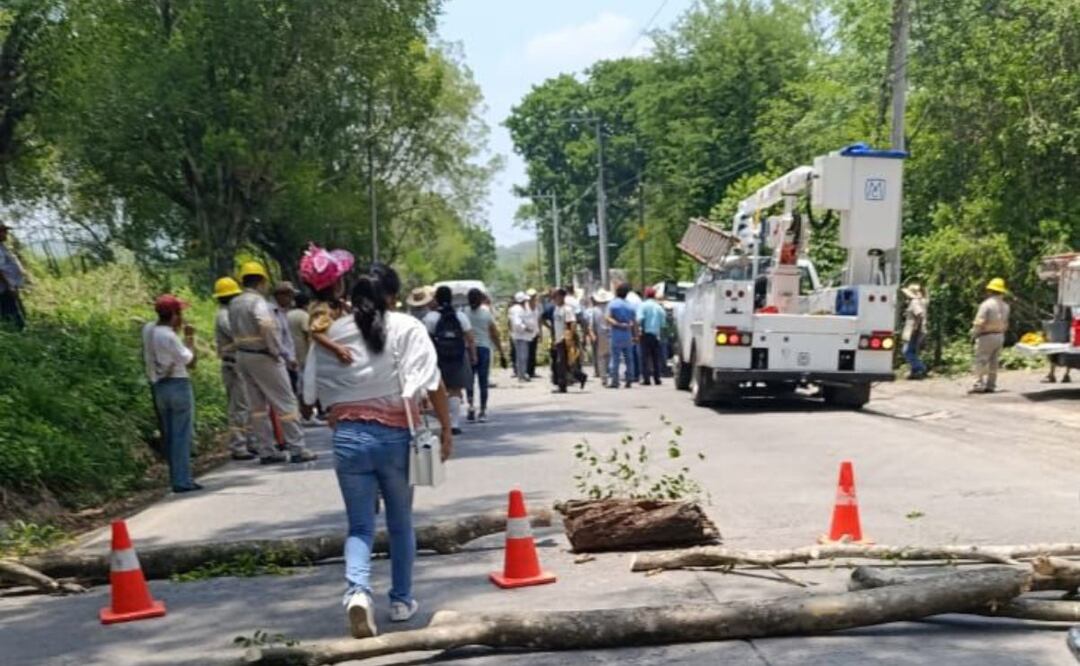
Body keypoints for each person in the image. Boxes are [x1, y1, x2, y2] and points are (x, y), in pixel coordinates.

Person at [310, 263, 452, 639]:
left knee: (359, 526)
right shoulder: (408, 328)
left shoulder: (334, 332)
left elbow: (315, 392)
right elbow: (432, 381)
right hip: (395, 437)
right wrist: (446, 429)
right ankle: (402, 600)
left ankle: (357, 593)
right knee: (400, 522)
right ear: (392, 296)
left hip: (348, 439)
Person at [229, 261, 317, 464]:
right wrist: (276, 351)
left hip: (243, 357)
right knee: (286, 402)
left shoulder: (235, 302)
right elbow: (266, 324)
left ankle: (266, 450)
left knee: (257, 408)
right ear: (261, 281)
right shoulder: (258, 302)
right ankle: (297, 448)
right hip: (264, 356)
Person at [142, 294, 201, 492]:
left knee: (169, 434)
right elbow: (190, 362)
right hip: (178, 384)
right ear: (175, 315)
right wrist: (190, 338)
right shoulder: (169, 336)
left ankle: (176, 477)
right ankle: (182, 480)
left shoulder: (149, 330)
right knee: (181, 435)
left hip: (159, 386)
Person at [212, 277, 257, 460]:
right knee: (239, 407)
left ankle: (249, 441)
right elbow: (239, 334)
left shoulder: (228, 312)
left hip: (237, 362)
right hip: (233, 364)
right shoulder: (225, 316)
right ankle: (239, 445)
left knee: (246, 405)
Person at [423, 285, 476, 434]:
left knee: (440, 389)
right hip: (458, 356)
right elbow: (470, 338)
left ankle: (443, 421)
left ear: (437, 299)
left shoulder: (430, 318)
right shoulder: (460, 316)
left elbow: (425, 341)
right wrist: (473, 355)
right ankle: (454, 423)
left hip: (438, 358)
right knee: (456, 390)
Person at [300, 244, 357, 366]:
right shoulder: (323, 308)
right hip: (327, 360)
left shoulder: (336, 305)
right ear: (335, 286)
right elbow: (317, 333)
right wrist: (337, 348)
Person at [465, 287, 504, 422]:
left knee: (469, 380)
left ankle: (470, 406)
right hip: (484, 349)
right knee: (483, 381)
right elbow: (494, 333)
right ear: (481, 299)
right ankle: (482, 410)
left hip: (469, 349)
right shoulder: (486, 314)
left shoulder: (464, 313)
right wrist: (501, 351)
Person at [970, 277, 1011, 394]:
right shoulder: (1006, 306)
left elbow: (980, 321)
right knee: (994, 362)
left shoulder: (986, 305)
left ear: (990, 291)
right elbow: (1006, 323)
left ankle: (978, 384)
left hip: (985, 336)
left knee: (981, 360)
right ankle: (991, 385)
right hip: (999, 335)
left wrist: (974, 333)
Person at [551, 288, 587, 392]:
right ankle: (580, 376)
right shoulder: (556, 309)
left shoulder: (567, 309)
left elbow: (572, 323)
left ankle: (562, 386)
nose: (554, 299)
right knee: (566, 363)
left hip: (565, 339)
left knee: (560, 363)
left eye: (556, 296)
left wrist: (570, 338)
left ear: (562, 297)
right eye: (553, 297)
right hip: (558, 339)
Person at [606, 283, 638, 388]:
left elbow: (608, 317)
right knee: (629, 358)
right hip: (627, 334)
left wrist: (617, 324)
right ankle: (629, 379)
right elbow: (635, 322)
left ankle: (615, 380)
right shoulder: (630, 306)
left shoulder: (612, 304)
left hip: (616, 334)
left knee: (615, 358)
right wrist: (636, 335)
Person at [272, 282, 301, 392]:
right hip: (283, 362)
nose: (291, 300)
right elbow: (277, 339)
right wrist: (290, 357)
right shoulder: (273, 313)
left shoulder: (283, 312)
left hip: (289, 362)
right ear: (281, 296)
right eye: (290, 296)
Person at [637, 287, 667, 386]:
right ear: (654, 295)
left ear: (645, 295)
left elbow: (640, 319)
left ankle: (646, 379)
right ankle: (657, 378)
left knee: (645, 357)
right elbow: (663, 323)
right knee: (656, 358)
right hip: (656, 335)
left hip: (646, 334)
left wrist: (640, 330)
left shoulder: (643, 305)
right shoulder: (659, 307)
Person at [0, 222, 27, 330]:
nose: (6, 234)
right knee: (13, 315)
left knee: (13, 312)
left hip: (8, 287)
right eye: (3, 231)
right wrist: (9, 285)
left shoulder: (2, 246)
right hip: (4, 288)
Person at [901, 283, 929, 380]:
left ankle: (921, 367)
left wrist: (915, 328)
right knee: (913, 351)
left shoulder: (914, 302)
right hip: (919, 330)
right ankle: (915, 372)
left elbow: (919, 314)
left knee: (906, 352)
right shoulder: (922, 301)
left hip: (914, 330)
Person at [588, 290, 613, 384]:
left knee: (601, 357)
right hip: (611, 334)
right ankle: (609, 374)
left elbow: (591, 325)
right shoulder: (611, 308)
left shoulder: (594, 310)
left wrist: (592, 334)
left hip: (600, 335)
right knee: (610, 356)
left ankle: (604, 377)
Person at [508, 292, 532, 382]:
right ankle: (521, 375)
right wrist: (526, 328)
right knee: (522, 356)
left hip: (521, 335)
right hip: (520, 335)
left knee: (522, 356)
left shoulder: (518, 308)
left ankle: (522, 373)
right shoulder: (517, 309)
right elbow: (517, 323)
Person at [526, 288, 540, 378]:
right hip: (526, 333)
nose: (532, 298)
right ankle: (527, 371)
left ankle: (532, 371)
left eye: (534, 296)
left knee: (533, 352)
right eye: (531, 296)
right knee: (527, 353)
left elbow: (538, 320)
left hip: (535, 332)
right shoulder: (525, 307)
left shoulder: (537, 307)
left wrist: (539, 331)